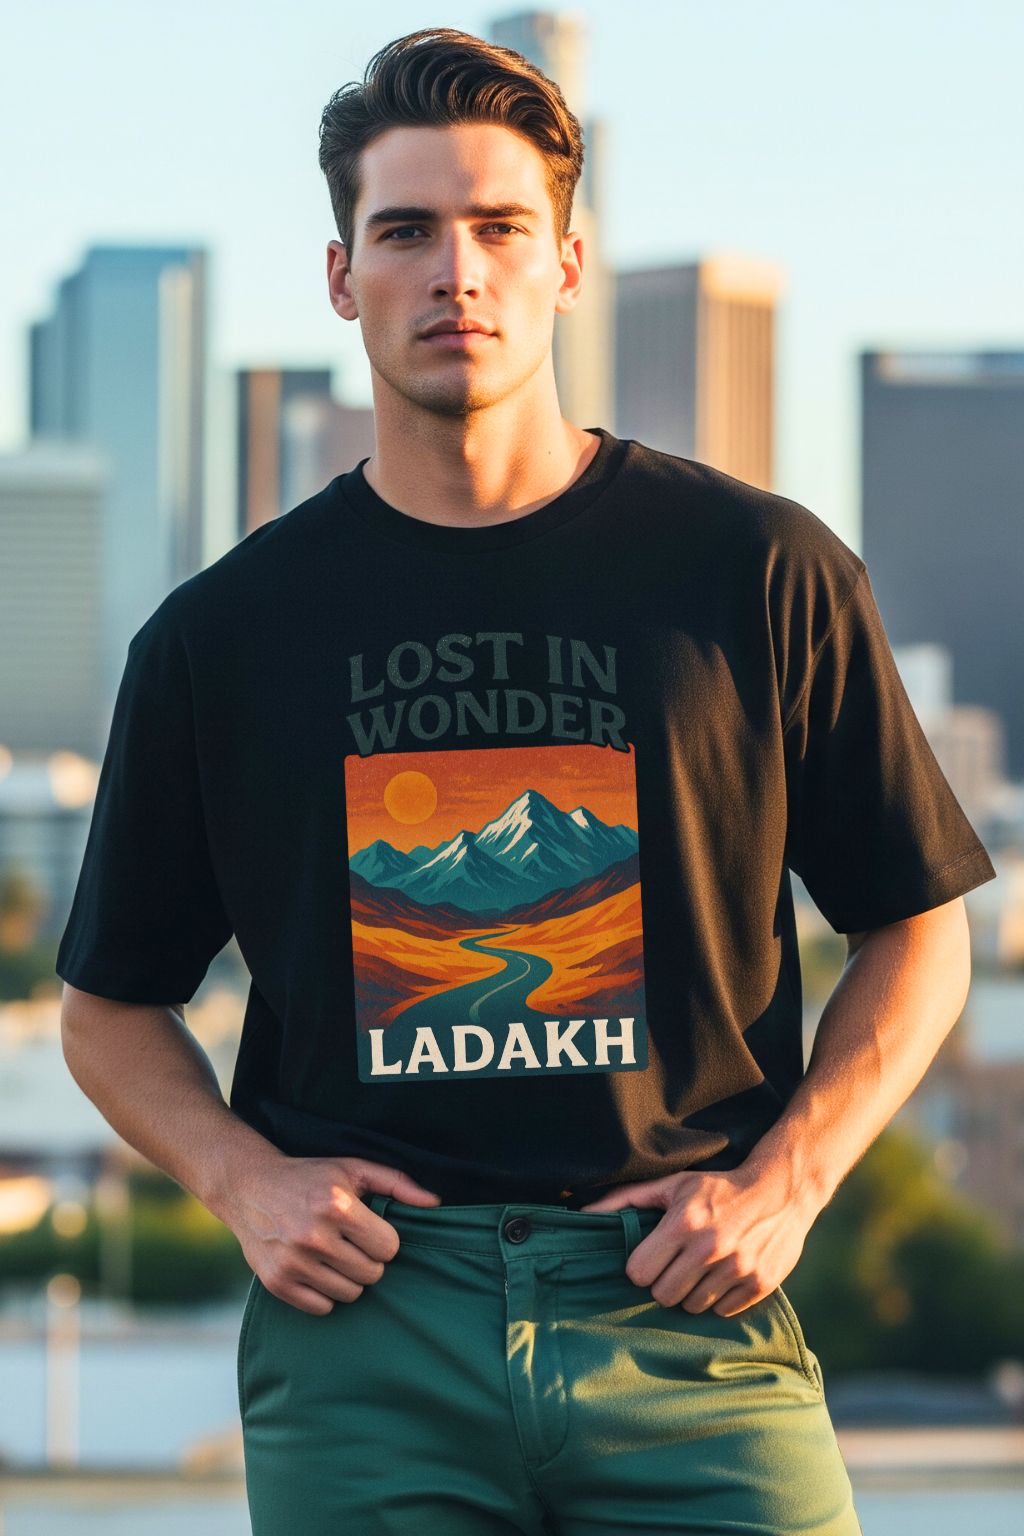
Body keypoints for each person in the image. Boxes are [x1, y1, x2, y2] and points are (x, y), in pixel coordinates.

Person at [57, 25, 996, 1536]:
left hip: (686, 1314)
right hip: (371, 1336)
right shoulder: (222, 638)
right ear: (339, 276)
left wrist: (794, 1180)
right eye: (406, 231)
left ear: (567, 264)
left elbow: (920, 921)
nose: (456, 271)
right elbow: (107, 1008)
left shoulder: (757, 572)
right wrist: (243, 1183)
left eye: (499, 228)